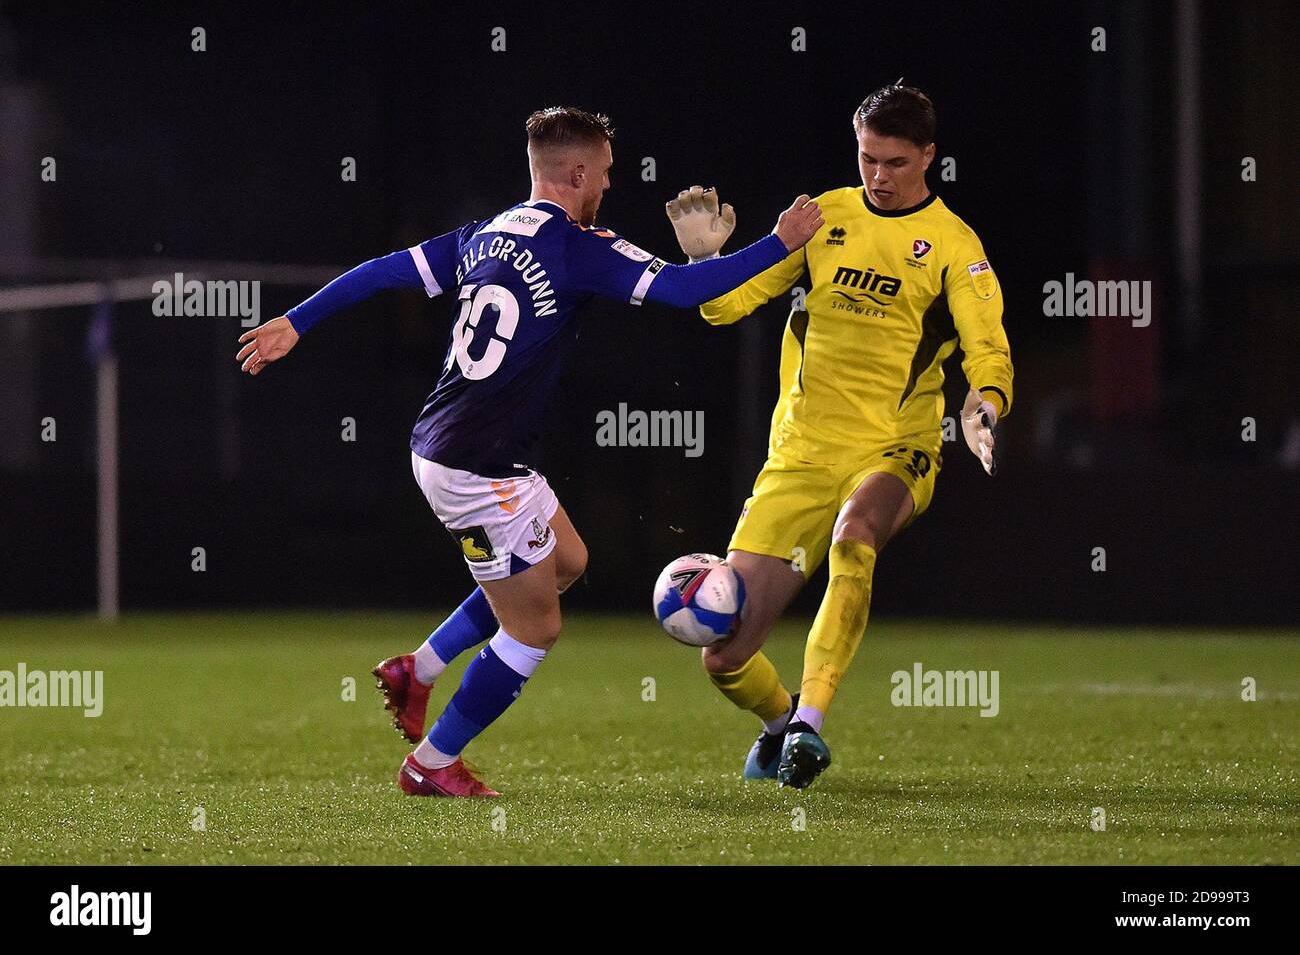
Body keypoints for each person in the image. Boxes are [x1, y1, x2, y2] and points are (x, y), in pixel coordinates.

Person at [236, 106, 823, 796]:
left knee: (567, 560)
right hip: (476, 468)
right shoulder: (579, 247)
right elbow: (685, 290)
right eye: (604, 172)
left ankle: (417, 671)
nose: (608, 183)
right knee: (536, 626)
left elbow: (381, 270)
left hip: (460, 446)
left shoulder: (487, 233)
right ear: (577, 172)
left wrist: (296, 323)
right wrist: (779, 243)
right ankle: (431, 765)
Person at [664, 85, 1013, 789]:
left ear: (929, 158)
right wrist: (706, 264)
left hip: (894, 446)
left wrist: (988, 400)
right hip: (799, 453)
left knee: (855, 537)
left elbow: (987, 345)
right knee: (724, 656)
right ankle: (779, 723)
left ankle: (809, 725)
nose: (877, 176)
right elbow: (729, 308)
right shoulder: (823, 218)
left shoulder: (953, 245)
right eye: (866, 159)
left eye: (894, 162)